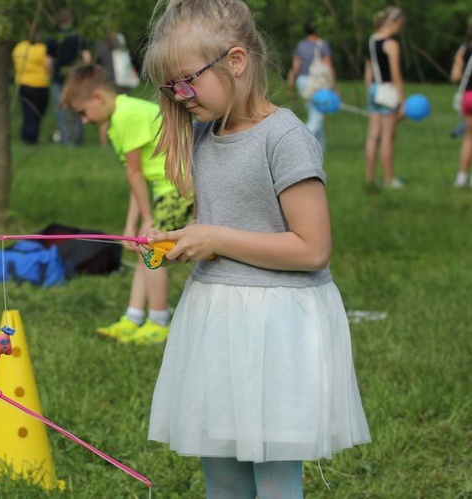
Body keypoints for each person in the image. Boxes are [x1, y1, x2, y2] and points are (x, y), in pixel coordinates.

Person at [141, 1, 371, 496]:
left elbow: (312, 248)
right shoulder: (207, 133)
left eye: (184, 82)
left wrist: (216, 237)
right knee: (220, 466)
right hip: (218, 318)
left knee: (273, 473)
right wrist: (189, 240)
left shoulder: (285, 138)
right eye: (168, 88)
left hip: (277, 327)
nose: (178, 97)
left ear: (236, 61)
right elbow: (227, 225)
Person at [61, 64, 193, 345]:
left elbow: (135, 174)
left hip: (180, 187)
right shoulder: (119, 118)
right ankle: (133, 317)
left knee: (152, 250)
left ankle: (158, 321)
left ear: (98, 97)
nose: (84, 121)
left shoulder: (126, 116)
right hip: (163, 187)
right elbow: (137, 178)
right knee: (144, 248)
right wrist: (132, 224)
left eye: (82, 112)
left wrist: (146, 219)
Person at [364, 6, 407, 189]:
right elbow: (396, 75)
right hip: (388, 90)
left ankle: (370, 178)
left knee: (373, 135)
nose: (401, 29)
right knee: (388, 136)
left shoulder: (372, 40)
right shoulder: (391, 44)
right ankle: (389, 179)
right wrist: (402, 101)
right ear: (395, 22)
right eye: (401, 25)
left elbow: (368, 73)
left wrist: (370, 92)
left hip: (373, 90)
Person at [287, 19, 336, 153]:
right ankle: (300, 142)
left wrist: (291, 84)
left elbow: (295, 66)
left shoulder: (300, 45)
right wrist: (334, 86)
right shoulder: (322, 44)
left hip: (302, 81)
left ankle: (319, 150)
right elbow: (328, 66)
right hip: (317, 82)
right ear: (317, 29)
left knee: (315, 114)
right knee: (318, 117)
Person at [46, 7, 92, 147]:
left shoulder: (53, 38)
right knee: (78, 109)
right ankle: (79, 141)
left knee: (62, 111)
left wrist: (51, 75)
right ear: (71, 20)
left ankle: (66, 142)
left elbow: (47, 62)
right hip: (76, 79)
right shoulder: (78, 37)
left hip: (59, 79)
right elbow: (87, 58)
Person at [12, 29, 51, 145]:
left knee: (27, 112)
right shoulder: (41, 49)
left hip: (22, 84)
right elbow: (48, 65)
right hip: (40, 84)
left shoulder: (18, 48)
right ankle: (32, 138)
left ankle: (26, 136)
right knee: (37, 113)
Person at [450, 16, 472, 188]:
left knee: (468, 138)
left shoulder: (464, 49)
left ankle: (462, 176)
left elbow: (455, 76)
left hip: (468, 98)